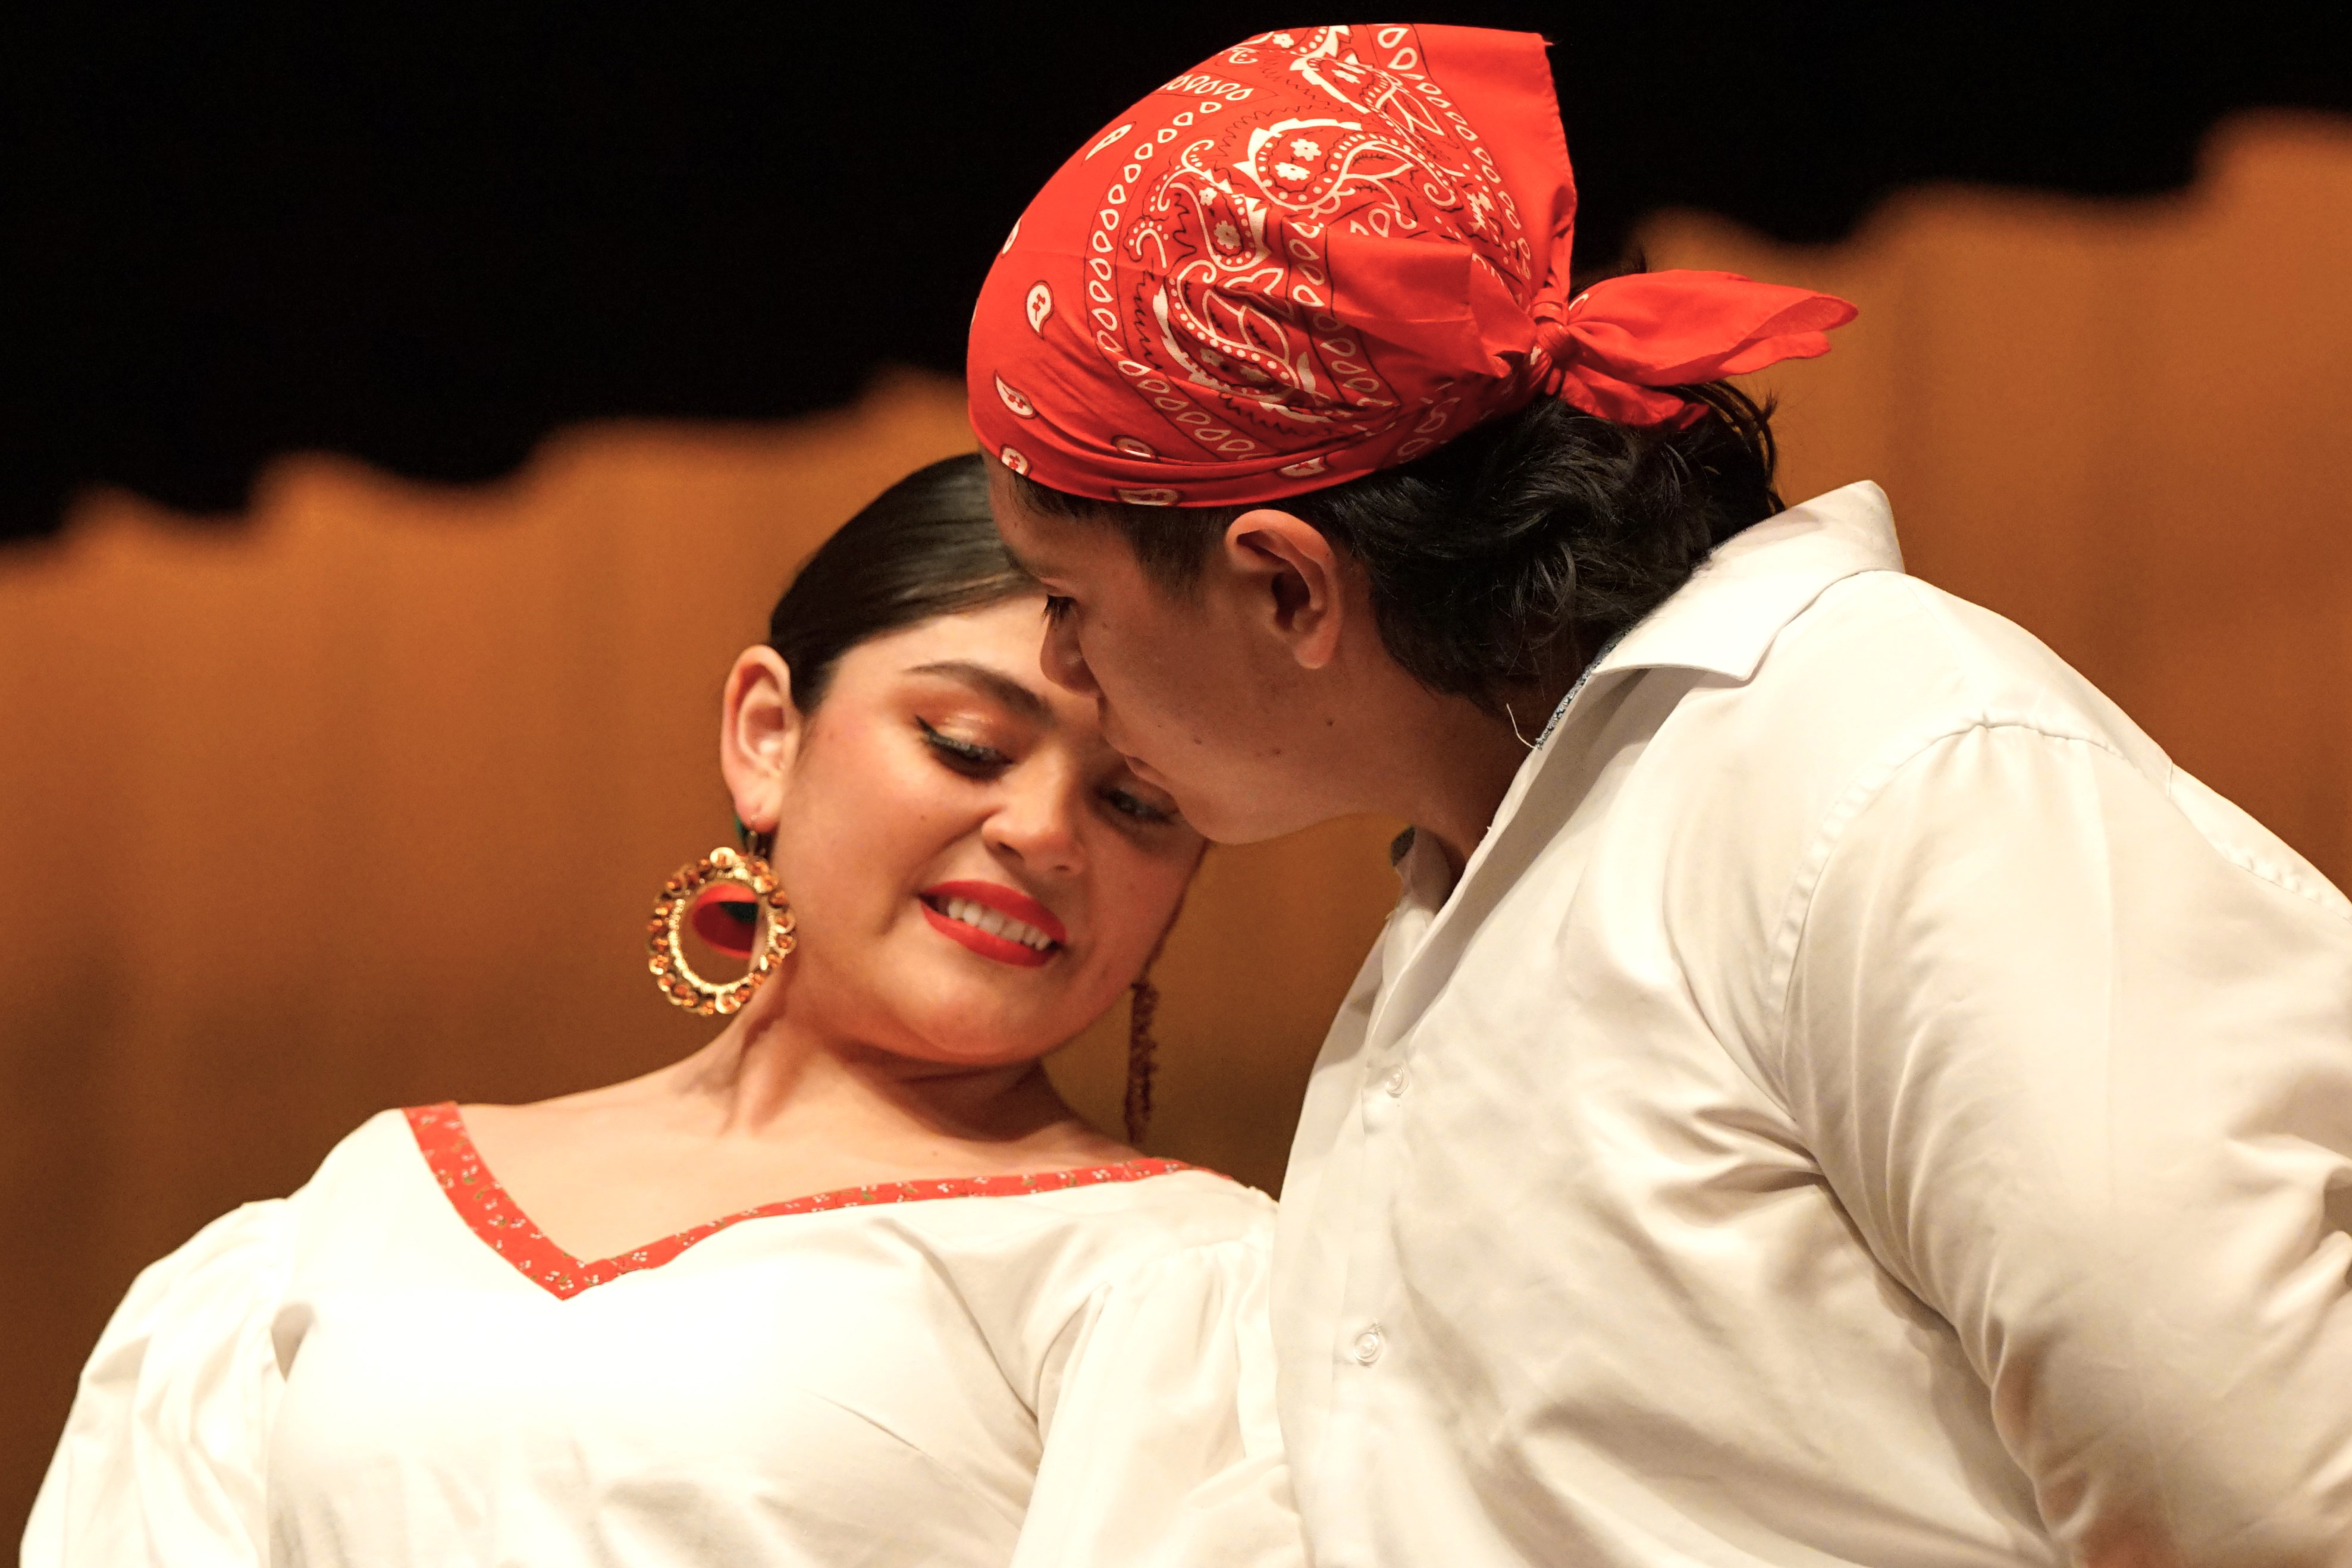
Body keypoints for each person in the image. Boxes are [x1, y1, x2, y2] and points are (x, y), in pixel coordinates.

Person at [968, 23, 2352, 1567]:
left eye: (1064, 595)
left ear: (1287, 587)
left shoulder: (1876, 759)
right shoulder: (1464, 905)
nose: (1061, 665)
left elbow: (2265, 1493)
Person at [25, 454, 1303, 1568]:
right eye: (966, 744)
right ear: (766, 734)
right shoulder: (364, 1205)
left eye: (1140, 803)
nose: (1041, 833)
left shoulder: (1165, 1276)